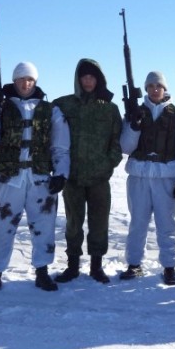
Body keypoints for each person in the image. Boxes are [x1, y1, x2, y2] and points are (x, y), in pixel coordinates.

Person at [0, 62, 70, 293]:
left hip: (40, 178)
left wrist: (61, 173)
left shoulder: (51, 110)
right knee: (3, 226)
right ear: (14, 81)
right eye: (21, 79)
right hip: (10, 177)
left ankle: (42, 272)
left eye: (30, 79)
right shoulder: (2, 106)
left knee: (44, 226)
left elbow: (61, 146)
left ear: (35, 82)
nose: (25, 84)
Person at [117, 71, 175, 285]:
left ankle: (170, 267)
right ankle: (134, 264)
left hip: (166, 178)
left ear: (165, 88)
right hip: (139, 177)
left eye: (158, 86)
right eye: (150, 86)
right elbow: (125, 147)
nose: (155, 89)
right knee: (137, 223)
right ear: (146, 89)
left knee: (167, 224)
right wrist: (134, 127)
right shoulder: (135, 112)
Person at [52, 59, 122, 284]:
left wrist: (108, 164)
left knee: (99, 223)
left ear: (99, 80)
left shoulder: (109, 108)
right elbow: (48, 130)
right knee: (73, 223)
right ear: (78, 79)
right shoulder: (64, 104)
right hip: (73, 177)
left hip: (99, 178)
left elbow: (116, 142)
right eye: (84, 77)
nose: (88, 81)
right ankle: (72, 266)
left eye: (92, 77)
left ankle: (96, 266)